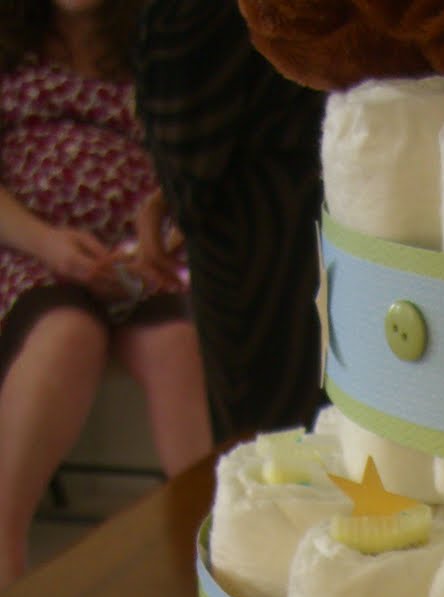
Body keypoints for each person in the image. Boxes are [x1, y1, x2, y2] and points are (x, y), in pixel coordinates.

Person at [0, 0, 213, 587]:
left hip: (138, 258)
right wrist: (47, 243)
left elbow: (188, 161)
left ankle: (213, 566)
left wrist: (161, 238)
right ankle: (4, 554)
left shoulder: (156, 41)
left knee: (176, 345)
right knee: (68, 335)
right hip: (29, 249)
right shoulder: (9, 48)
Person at [134, 0, 326, 447]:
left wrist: (182, 198)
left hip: (253, 229)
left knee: (268, 437)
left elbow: (188, 124)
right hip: (330, 191)